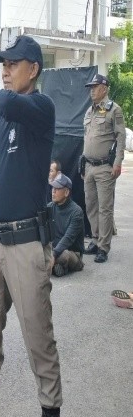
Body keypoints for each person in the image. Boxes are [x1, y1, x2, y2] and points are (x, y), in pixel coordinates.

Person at [0, 35, 61, 417]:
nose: (5, 70)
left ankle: (50, 408)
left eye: (12, 64)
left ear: (33, 69)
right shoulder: (5, 113)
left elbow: (4, 102)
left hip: (26, 243)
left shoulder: (40, 107)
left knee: (39, 338)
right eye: (2, 64)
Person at [82, 73, 126, 264]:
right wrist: (83, 163)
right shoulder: (89, 111)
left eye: (95, 87)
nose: (92, 91)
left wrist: (118, 163)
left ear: (104, 89)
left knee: (105, 209)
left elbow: (121, 138)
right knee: (91, 206)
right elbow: (87, 137)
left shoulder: (114, 110)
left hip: (104, 167)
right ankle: (95, 239)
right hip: (89, 166)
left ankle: (103, 247)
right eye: (91, 88)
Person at [48, 173, 84, 277]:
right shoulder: (50, 207)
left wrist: (53, 254)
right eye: (53, 188)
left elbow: (68, 238)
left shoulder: (76, 212)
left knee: (64, 255)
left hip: (72, 253)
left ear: (66, 192)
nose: (53, 191)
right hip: (54, 249)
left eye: (57, 188)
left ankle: (57, 265)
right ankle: (57, 267)